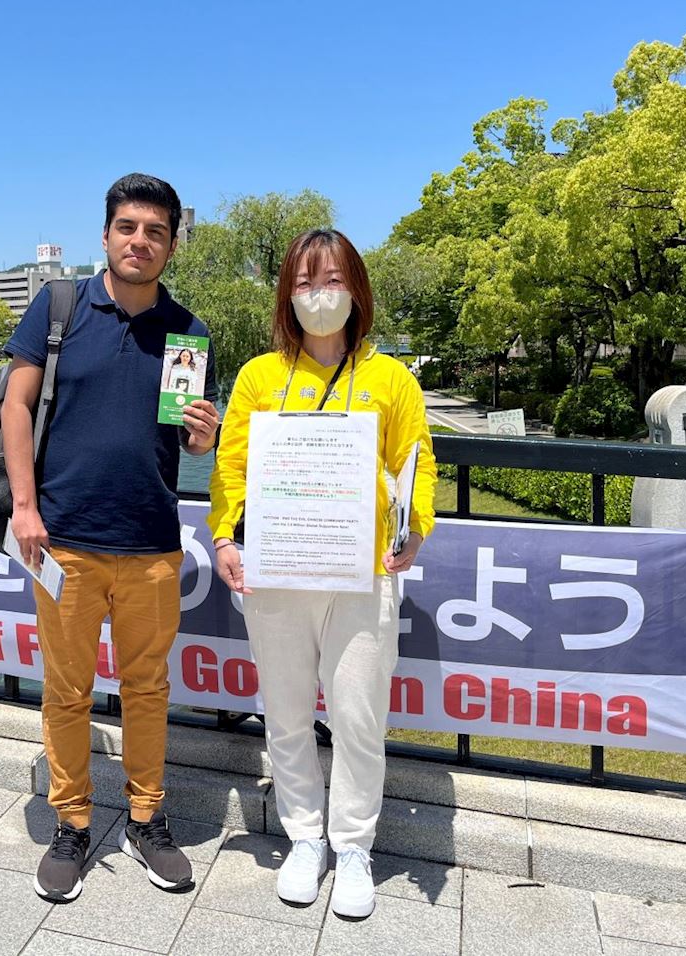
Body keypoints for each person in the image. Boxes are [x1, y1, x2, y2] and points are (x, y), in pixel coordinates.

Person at [2, 173, 220, 903]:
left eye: (156, 231)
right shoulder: (59, 307)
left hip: (152, 543)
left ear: (172, 245)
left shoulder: (187, 332)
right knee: (67, 691)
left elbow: (184, 440)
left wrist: (202, 439)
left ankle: (146, 817)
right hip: (63, 539)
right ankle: (71, 822)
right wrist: (25, 508)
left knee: (147, 689)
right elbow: (15, 406)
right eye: (128, 227)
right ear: (105, 235)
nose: (140, 241)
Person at [207, 228, 437, 919]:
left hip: (362, 575)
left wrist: (415, 528)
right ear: (287, 295)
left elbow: (416, 463)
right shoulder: (259, 376)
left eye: (333, 279)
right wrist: (224, 534)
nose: (319, 295)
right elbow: (231, 465)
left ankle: (355, 846)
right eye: (305, 282)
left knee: (358, 717)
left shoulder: (391, 379)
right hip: (278, 572)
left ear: (357, 290)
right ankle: (305, 838)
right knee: (285, 714)